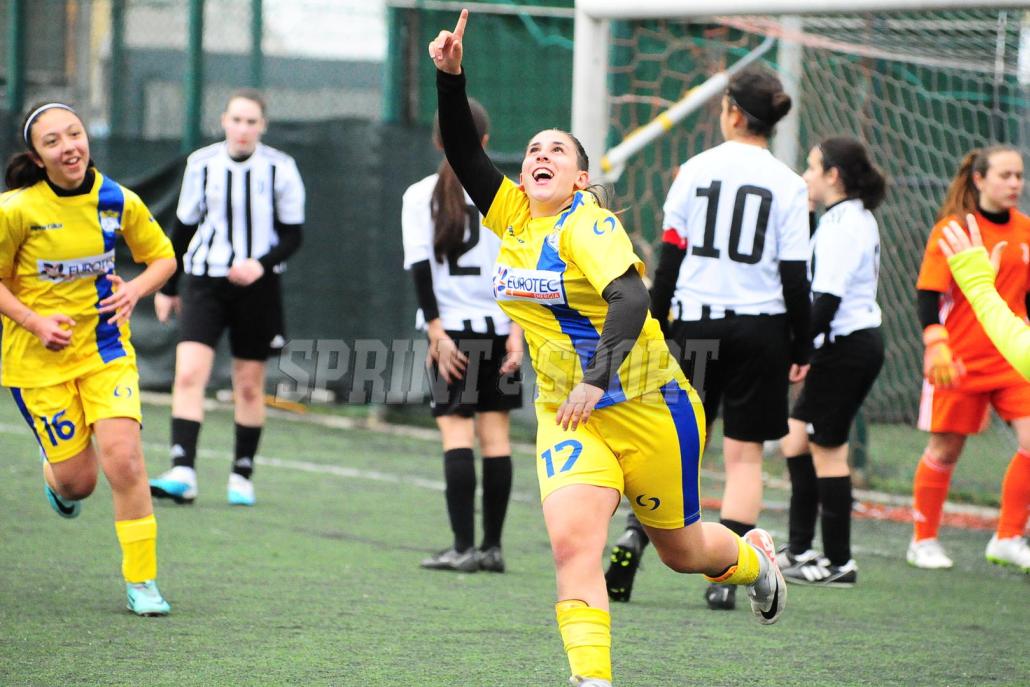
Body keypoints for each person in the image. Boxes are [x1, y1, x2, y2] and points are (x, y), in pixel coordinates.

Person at [430, 11, 786, 687]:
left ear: (581, 177)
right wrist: (451, 78)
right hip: (572, 415)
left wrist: (596, 376)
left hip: (650, 406)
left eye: (557, 151)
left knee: (683, 551)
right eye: (533, 149)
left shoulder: (586, 223)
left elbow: (630, 299)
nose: (540, 155)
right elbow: (466, 154)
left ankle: (753, 560)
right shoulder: (513, 215)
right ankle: (591, 678)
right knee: (573, 545)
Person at [606, 65, 812, 609]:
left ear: (734, 113)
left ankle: (634, 536)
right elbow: (796, 276)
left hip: (695, 324)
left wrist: (654, 326)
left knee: (673, 444)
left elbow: (669, 262)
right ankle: (727, 576)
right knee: (744, 458)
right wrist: (804, 344)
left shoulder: (695, 170)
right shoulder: (790, 184)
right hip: (761, 329)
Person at [0, 102, 177, 615]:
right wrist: (35, 321)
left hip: (106, 351)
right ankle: (56, 475)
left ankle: (142, 581)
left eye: (74, 134)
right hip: (36, 363)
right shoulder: (15, 210)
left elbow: (163, 257)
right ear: (37, 158)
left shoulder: (117, 199)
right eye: (53, 141)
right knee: (80, 482)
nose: (68, 147)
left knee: (125, 459)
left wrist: (135, 290)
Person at [149, 89, 305, 507]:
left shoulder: (280, 168)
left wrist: (260, 264)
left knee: (249, 385)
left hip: (257, 288)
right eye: (236, 120)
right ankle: (183, 471)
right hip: (205, 282)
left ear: (263, 126)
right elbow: (182, 230)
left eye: (251, 122)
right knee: (188, 374)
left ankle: (242, 474)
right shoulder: (201, 164)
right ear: (223, 121)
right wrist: (168, 286)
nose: (242, 129)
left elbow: (293, 235)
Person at [402, 102, 524, 573]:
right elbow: (521, 271)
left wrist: (436, 330)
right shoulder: (509, 195)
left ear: (438, 141)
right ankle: (492, 549)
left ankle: (463, 547)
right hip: (498, 330)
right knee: (496, 439)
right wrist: (516, 333)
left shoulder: (420, 195)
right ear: (485, 142)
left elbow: (420, 269)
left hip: (451, 334)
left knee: (457, 435)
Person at [911, 145, 1030, 573]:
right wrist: (935, 343)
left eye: (1019, 175)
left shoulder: (1026, 230)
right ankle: (923, 540)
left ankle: (1008, 537)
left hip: (1014, 359)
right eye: (1005, 175)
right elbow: (928, 294)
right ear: (979, 179)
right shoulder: (955, 230)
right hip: (960, 359)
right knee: (945, 449)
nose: (1014, 183)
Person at [777, 137, 887, 587]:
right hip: (843, 345)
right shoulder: (841, 217)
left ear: (833, 175)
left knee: (827, 449)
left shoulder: (846, 224)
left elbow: (826, 300)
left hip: (849, 348)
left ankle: (839, 562)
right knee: (795, 440)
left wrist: (798, 351)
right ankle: (800, 549)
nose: (806, 175)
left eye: (812, 167)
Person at [940, 214, 1030, 380]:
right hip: (967, 359)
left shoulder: (1024, 227)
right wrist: (935, 339)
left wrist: (979, 286)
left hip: (1008, 364)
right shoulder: (954, 228)